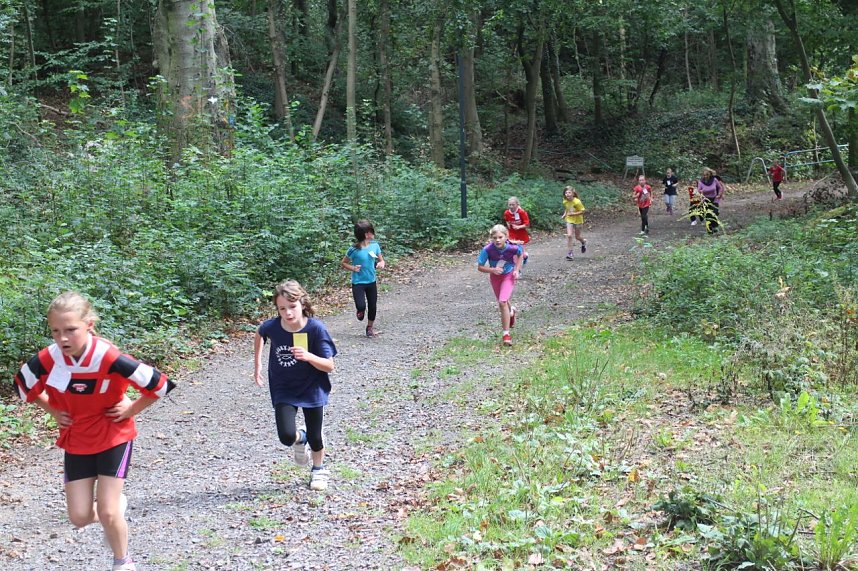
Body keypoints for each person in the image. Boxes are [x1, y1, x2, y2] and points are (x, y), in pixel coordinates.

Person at [13, 291, 176, 571]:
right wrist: (53, 410)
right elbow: (21, 386)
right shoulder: (47, 359)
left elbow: (160, 385)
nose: (63, 338)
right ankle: (114, 512)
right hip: (76, 438)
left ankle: (122, 562)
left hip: (114, 435)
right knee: (78, 517)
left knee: (108, 511)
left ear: (89, 325)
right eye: (56, 331)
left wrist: (131, 409)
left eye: (71, 330)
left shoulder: (109, 357)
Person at [254, 280, 337, 492]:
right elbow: (261, 332)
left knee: (317, 435)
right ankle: (302, 437)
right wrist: (258, 364)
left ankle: (318, 469)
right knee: (286, 437)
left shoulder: (316, 329)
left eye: (292, 307)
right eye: (282, 308)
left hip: (312, 387)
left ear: (302, 303)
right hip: (284, 387)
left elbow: (329, 366)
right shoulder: (273, 326)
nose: (288, 313)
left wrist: (309, 356)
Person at [476, 224, 524, 347]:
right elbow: (480, 267)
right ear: (491, 238)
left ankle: (506, 334)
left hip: (508, 276)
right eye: (495, 237)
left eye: (500, 237)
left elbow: (521, 254)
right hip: (495, 277)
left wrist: (517, 270)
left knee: (502, 302)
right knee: (503, 300)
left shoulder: (512, 248)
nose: (497, 240)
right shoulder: (487, 250)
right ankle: (511, 311)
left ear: (506, 237)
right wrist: (492, 270)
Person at [341, 220, 385, 338]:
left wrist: (381, 263)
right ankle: (360, 311)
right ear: (366, 234)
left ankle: (369, 328)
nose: (373, 233)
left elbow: (381, 260)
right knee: (361, 306)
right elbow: (344, 263)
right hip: (358, 283)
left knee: (373, 306)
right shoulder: (353, 250)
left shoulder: (375, 246)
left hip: (371, 281)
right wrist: (353, 268)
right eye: (371, 231)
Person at [503, 196, 531, 268]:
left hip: (521, 234)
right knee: (514, 251)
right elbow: (506, 220)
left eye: (513, 205)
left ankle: (525, 257)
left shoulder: (522, 212)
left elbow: (527, 224)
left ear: (517, 204)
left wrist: (519, 227)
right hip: (512, 233)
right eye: (510, 205)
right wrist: (508, 224)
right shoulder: (506, 213)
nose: (511, 206)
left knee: (521, 252)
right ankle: (517, 269)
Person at [561, 185, 587, 260]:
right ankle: (570, 253)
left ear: (573, 193)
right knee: (569, 235)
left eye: (569, 192)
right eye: (566, 193)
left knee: (577, 237)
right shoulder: (565, 200)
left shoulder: (577, 202)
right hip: (569, 219)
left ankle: (583, 242)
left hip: (578, 221)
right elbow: (567, 208)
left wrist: (573, 214)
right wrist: (564, 214)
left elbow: (583, 211)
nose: (567, 194)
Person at [697, 167, 725, 233]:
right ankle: (709, 229)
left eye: (707, 175)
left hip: (714, 199)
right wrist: (701, 193)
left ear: (710, 174)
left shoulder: (714, 180)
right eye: (704, 175)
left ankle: (715, 226)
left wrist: (719, 194)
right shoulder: (701, 182)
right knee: (708, 215)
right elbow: (698, 191)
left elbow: (720, 188)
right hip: (705, 200)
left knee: (714, 213)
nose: (705, 176)